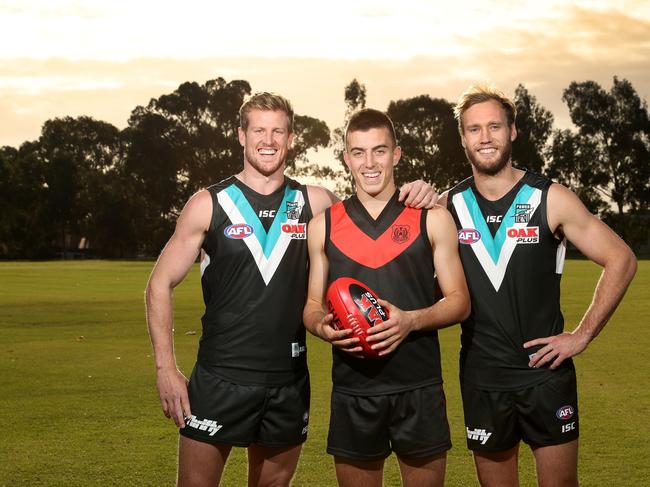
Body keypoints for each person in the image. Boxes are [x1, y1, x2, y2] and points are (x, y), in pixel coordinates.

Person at [145, 92, 437, 487]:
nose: (268, 140)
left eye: (278, 131)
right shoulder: (208, 204)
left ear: (291, 138)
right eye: (259, 130)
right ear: (241, 136)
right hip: (218, 377)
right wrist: (166, 369)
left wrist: (422, 192)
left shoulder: (314, 202)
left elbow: (374, 211)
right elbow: (160, 283)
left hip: (287, 381)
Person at [437, 85, 637, 487]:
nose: (485, 137)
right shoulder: (446, 207)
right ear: (462, 139)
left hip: (546, 376)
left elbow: (622, 259)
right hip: (483, 378)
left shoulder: (550, 198)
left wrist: (581, 336)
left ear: (513, 131)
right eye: (474, 129)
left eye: (494, 126)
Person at [303, 108, 470, 487]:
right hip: (354, 390)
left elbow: (460, 300)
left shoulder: (432, 217)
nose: (370, 163)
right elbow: (311, 306)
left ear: (396, 154)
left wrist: (410, 320)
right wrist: (323, 328)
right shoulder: (324, 225)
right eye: (358, 153)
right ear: (346, 158)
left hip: (419, 387)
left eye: (379, 151)